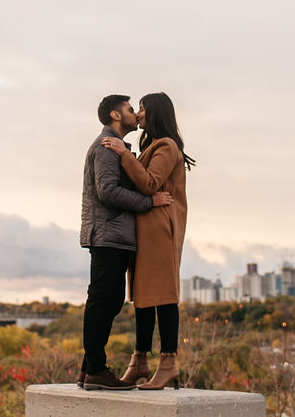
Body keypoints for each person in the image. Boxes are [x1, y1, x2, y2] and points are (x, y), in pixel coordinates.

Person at [79, 94, 173, 390]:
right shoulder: (107, 146)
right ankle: (95, 368)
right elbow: (107, 191)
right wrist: (148, 202)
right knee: (102, 300)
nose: (136, 114)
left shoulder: (117, 147)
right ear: (115, 115)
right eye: (131, 109)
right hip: (108, 234)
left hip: (115, 235)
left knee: (109, 300)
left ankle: (89, 369)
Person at [101, 92, 195, 390]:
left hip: (160, 231)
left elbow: (150, 182)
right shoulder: (152, 146)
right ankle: (140, 361)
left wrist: (122, 153)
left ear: (154, 113)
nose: (138, 114)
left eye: (142, 108)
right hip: (147, 229)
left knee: (163, 296)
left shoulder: (166, 146)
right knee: (143, 296)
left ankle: (168, 364)